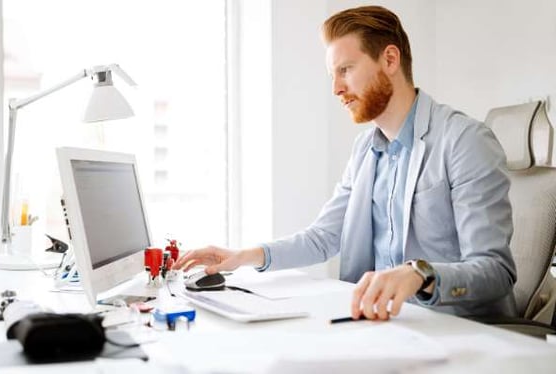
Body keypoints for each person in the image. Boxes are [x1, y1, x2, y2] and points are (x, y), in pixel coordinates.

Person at [173, 5, 516, 321]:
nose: (336, 88)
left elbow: (496, 270)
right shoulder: (366, 149)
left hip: (455, 329)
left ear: (390, 60)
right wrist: (243, 256)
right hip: (384, 326)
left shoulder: (464, 140)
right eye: (332, 75)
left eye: (346, 70)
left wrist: (420, 274)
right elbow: (323, 237)